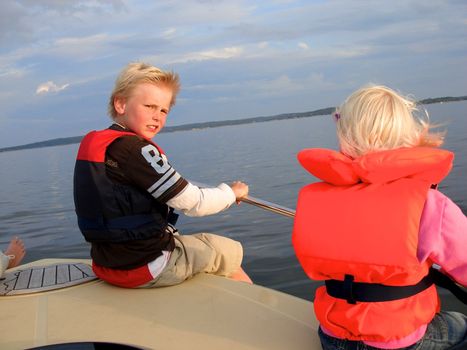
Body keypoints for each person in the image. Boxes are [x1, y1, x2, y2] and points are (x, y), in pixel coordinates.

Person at [292, 85, 467, 349]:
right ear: (407, 136)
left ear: (344, 135)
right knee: (460, 324)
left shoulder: (316, 196)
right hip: (401, 342)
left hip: (332, 336)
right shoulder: (429, 204)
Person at [73, 62, 251, 289]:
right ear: (120, 103)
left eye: (164, 110)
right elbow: (195, 203)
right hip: (144, 267)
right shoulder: (135, 150)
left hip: (107, 264)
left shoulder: (104, 145)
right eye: (149, 106)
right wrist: (231, 192)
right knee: (227, 252)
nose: (157, 117)